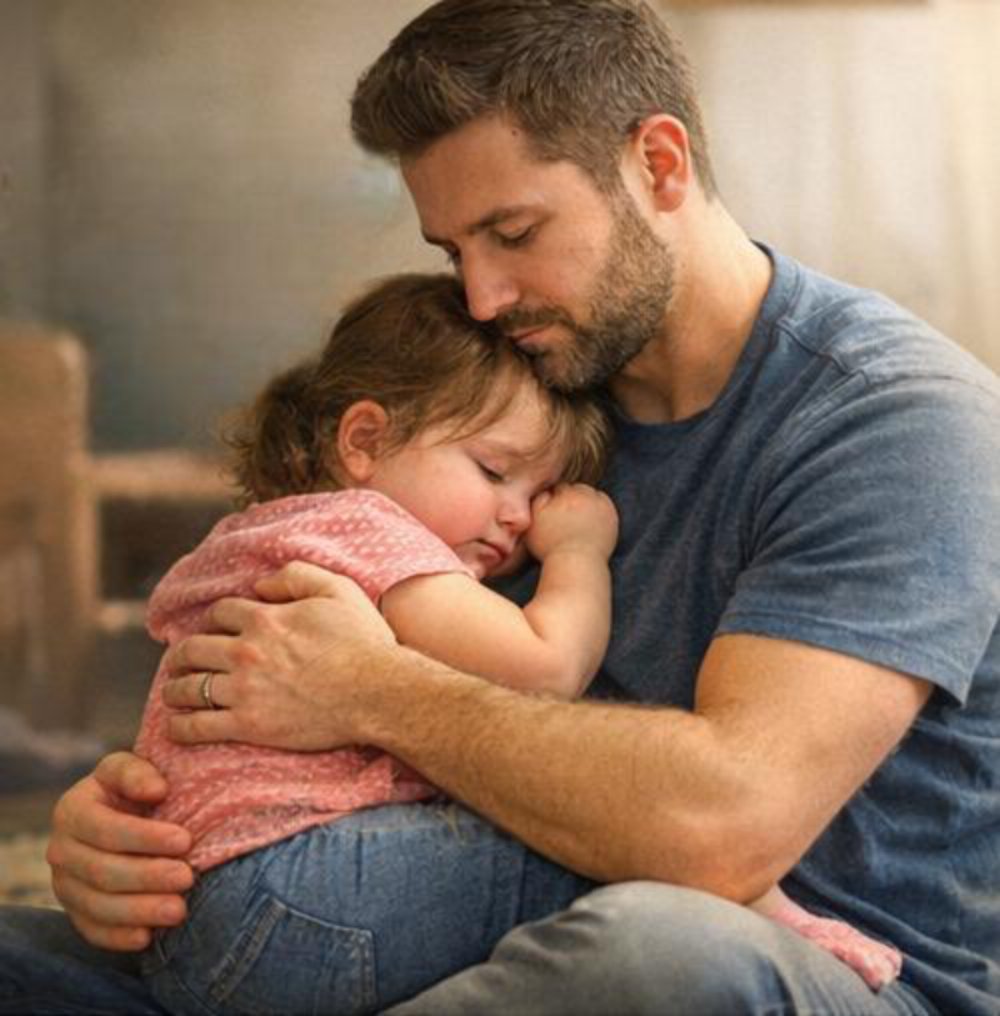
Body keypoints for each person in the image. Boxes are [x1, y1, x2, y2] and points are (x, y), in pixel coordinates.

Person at [2, 1, 998, 1013]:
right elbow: (306, 686)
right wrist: (135, 830)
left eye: (513, 233)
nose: (481, 296)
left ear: (658, 165)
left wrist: (369, 687)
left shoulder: (893, 421)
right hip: (448, 942)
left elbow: (724, 829)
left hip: (799, 967)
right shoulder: (524, 401)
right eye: (452, 251)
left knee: (655, 952)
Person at [133, 271, 619, 1012]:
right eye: (494, 472)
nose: (520, 518)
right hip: (290, 888)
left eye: (537, 496)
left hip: (186, 925)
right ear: (366, 441)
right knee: (596, 849)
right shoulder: (371, 529)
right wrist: (579, 551)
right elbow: (547, 667)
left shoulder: (269, 530)